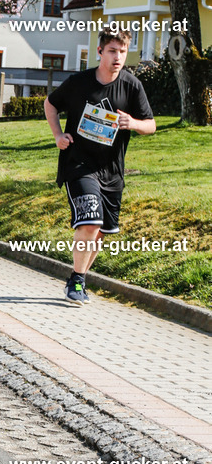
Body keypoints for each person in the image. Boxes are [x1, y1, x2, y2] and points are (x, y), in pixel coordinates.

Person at [44, 28, 156, 305]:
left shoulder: (131, 85)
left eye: (122, 51)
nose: (118, 57)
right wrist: (58, 135)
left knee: (101, 231)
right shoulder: (79, 82)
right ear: (100, 52)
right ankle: (78, 282)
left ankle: (76, 279)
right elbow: (50, 104)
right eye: (112, 51)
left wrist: (134, 123)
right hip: (79, 164)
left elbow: (151, 125)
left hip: (112, 171)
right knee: (90, 222)